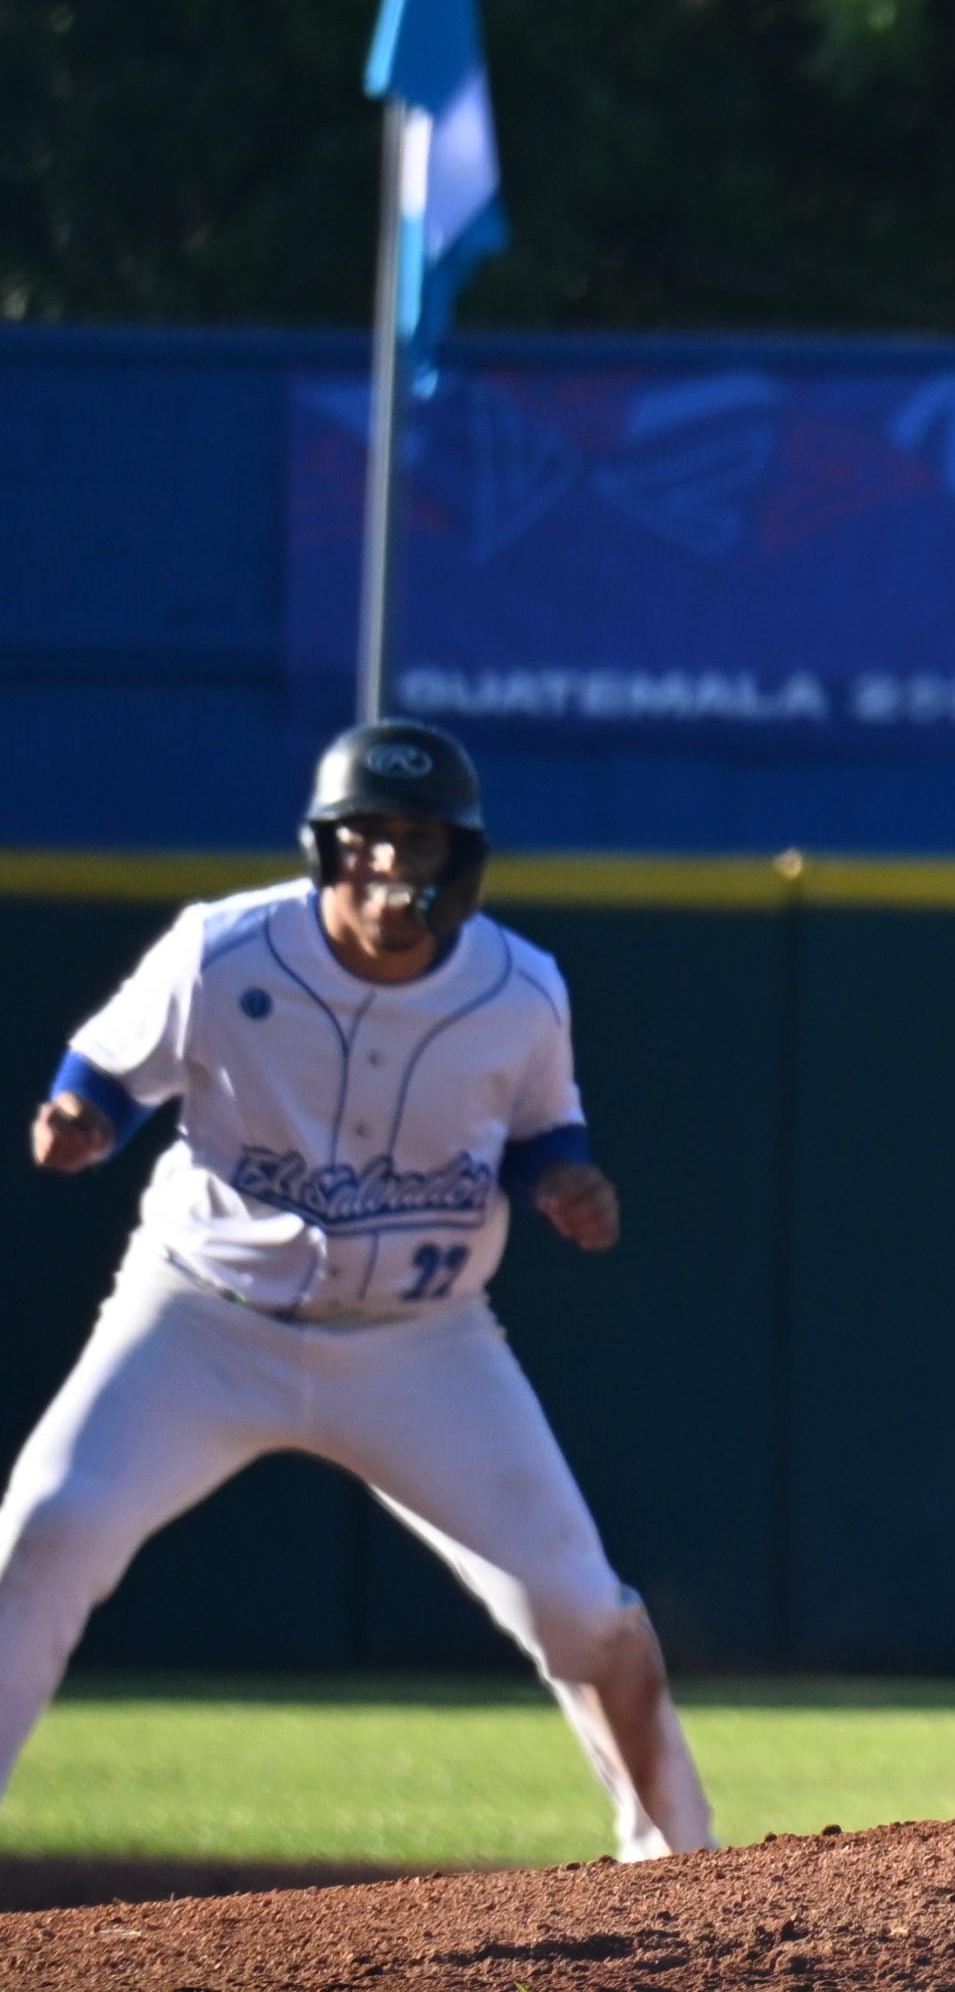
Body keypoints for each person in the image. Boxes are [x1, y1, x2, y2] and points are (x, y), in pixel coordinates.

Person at [0, 720, 713, 1860]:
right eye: (367, 841)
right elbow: (104, 1074)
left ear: (459, 859)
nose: (391, 866)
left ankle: (684, 1871)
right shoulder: (223, 950)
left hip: (422, 1345)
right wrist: (78, 1120)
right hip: (198, 1319)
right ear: (326, 849)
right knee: (43, 1532)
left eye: (417, 843)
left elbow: (542, 1133)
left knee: (587, 1612)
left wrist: (567, 1183)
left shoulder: (519, 987)